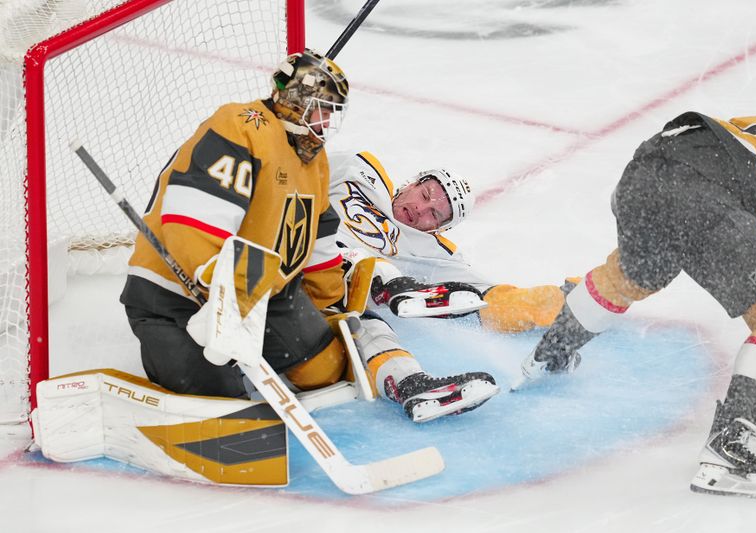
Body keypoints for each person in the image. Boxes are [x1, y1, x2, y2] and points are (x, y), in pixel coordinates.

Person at [120, 49, 497, 424]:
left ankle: (396, 371)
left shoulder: (312, 162)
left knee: (325, 369)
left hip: (263, 293)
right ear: (292, 100)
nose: (327, 121)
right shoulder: (239, 126)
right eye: (321, 108)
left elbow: (317, 245)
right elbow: (194, 222)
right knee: (221, 403)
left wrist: (328, 306)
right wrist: (220, 295)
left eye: (333, 112)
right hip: (176, 294)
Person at [519, 112, 756, 499]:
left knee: (633, 275)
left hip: (647, 171)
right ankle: (729, 451)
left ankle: (550, 353)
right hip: (703, 184)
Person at [329, 151, 572, 332]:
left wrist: (562, 302)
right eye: (424, 196)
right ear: (412, 183)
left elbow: (494, 299)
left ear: (438, 228)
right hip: (302, 249)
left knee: (380, 276)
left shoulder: (433, 254)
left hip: (333, 290)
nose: (420, 209)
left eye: (433, 214)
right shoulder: (359, 170)